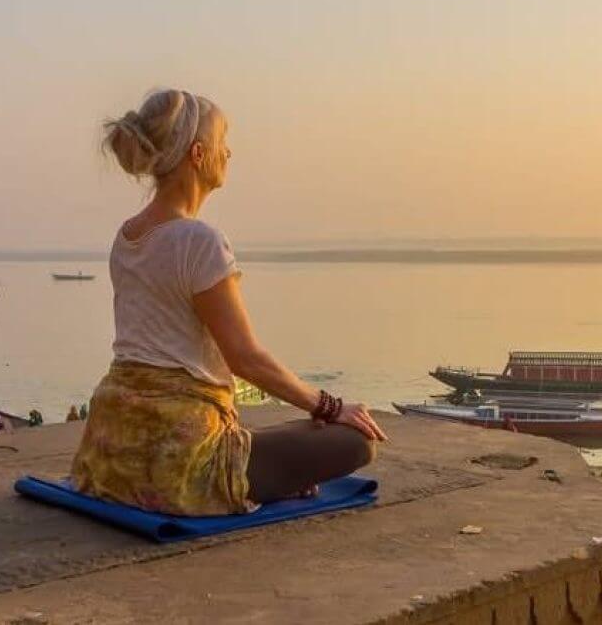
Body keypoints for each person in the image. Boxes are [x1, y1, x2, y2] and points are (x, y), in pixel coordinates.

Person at [71, 89, 387, 516]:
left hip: (112, 452)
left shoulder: (127, 236)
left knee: (301, 431)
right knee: (355, 440)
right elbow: (245, 359)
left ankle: (283, 467)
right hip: (180, 461)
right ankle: (271, 478)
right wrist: (332, 406)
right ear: (198, 154)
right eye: (223, 142)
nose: (229, 152)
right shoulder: (199, 241)